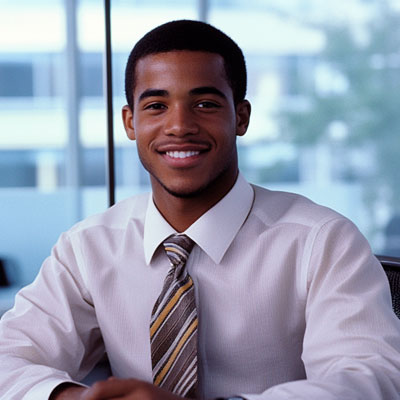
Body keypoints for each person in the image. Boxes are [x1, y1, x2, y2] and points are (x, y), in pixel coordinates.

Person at [0, 19, 400, 400]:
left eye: (205, 104)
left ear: (240, 117)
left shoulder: (322, 240)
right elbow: (9, 357)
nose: (179, 126)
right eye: (156, 106)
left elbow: (371, 379)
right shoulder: (87, 248)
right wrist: (74, 397)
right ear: (130, 122)